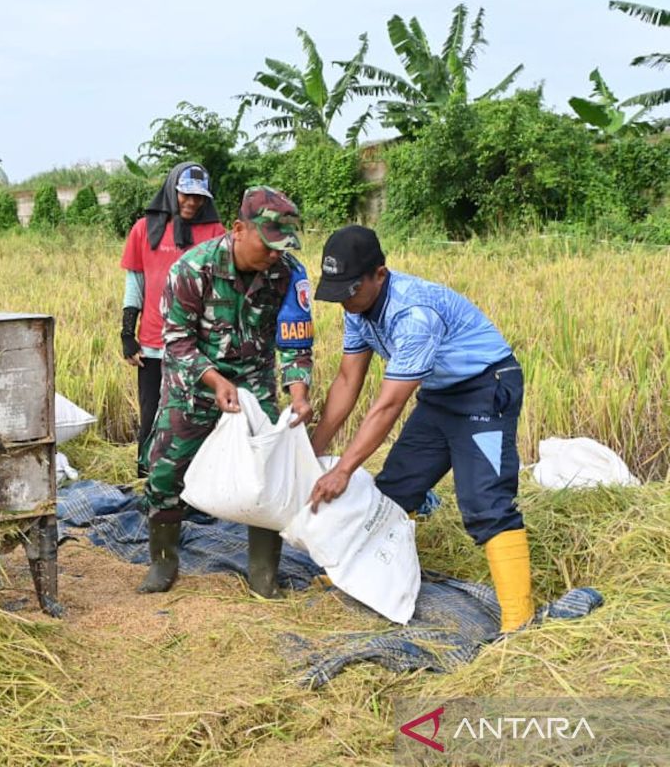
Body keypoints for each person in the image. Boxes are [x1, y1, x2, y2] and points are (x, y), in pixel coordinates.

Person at [307, 225, 533, 632]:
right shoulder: (356, 308)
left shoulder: (413, 314)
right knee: (394, 490)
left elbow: (388, 405)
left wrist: (343, 470)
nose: (344, 301)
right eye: (337, 292)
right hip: (440, 395)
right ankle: (362, 575)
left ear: (379, 274)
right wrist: (314, 448)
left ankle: (519, 622)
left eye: (350, 289)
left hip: (485, 390)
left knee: (485, 502)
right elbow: (347, 380)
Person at [138, 187, 315, 597]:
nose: (275, 255)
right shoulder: (192, 270)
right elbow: (177, 341)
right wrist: (216, 381)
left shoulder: (289, 273)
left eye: (282, 247)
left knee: (267, 474)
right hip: (194, 386)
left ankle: (263, 576)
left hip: (254, 384)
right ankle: (163, 563)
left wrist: (299, 395)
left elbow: (295, 342)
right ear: (238, 229)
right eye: (267, 245)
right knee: (165, 472)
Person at [119, 163, 226, 478]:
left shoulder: (215, 233)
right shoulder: (143, 230)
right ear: (171, 191)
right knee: (152, 414)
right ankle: (147, 480)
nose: (192, 203)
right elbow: (135, 283)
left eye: (199, 197)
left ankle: (193, 483)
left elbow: (224, 289)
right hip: (153, 344)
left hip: (198, 347)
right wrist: (127, 333)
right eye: (185, 195)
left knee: (195, 417)